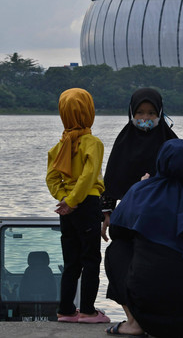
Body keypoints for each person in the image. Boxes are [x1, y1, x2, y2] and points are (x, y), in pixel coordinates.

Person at [106, 139, 183, 337]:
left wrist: (141, 196)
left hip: (147, 311)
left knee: (117, 249)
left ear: (161, 162)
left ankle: (134, 323)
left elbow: (117, 232)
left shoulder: (141, 194)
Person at [46, 88, 110, 323]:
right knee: (91, 259)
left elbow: (52, 178)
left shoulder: (59, 146)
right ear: (89, 112)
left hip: (67, 209)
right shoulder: (92, 143)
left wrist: (64, 199)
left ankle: (65, 310)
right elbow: (89, 175)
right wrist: (74, 201)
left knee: (71, 261)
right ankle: (88, 311)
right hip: (87, 203)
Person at [101, 87, 178, 241]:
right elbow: (112, 179)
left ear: (160, 113)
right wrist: (107, 214)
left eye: (151, 113)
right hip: (129, 215)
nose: (145, 117)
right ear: (131, 112)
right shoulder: (124, 142)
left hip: (163, 215)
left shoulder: (170, 142)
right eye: (140, 112)